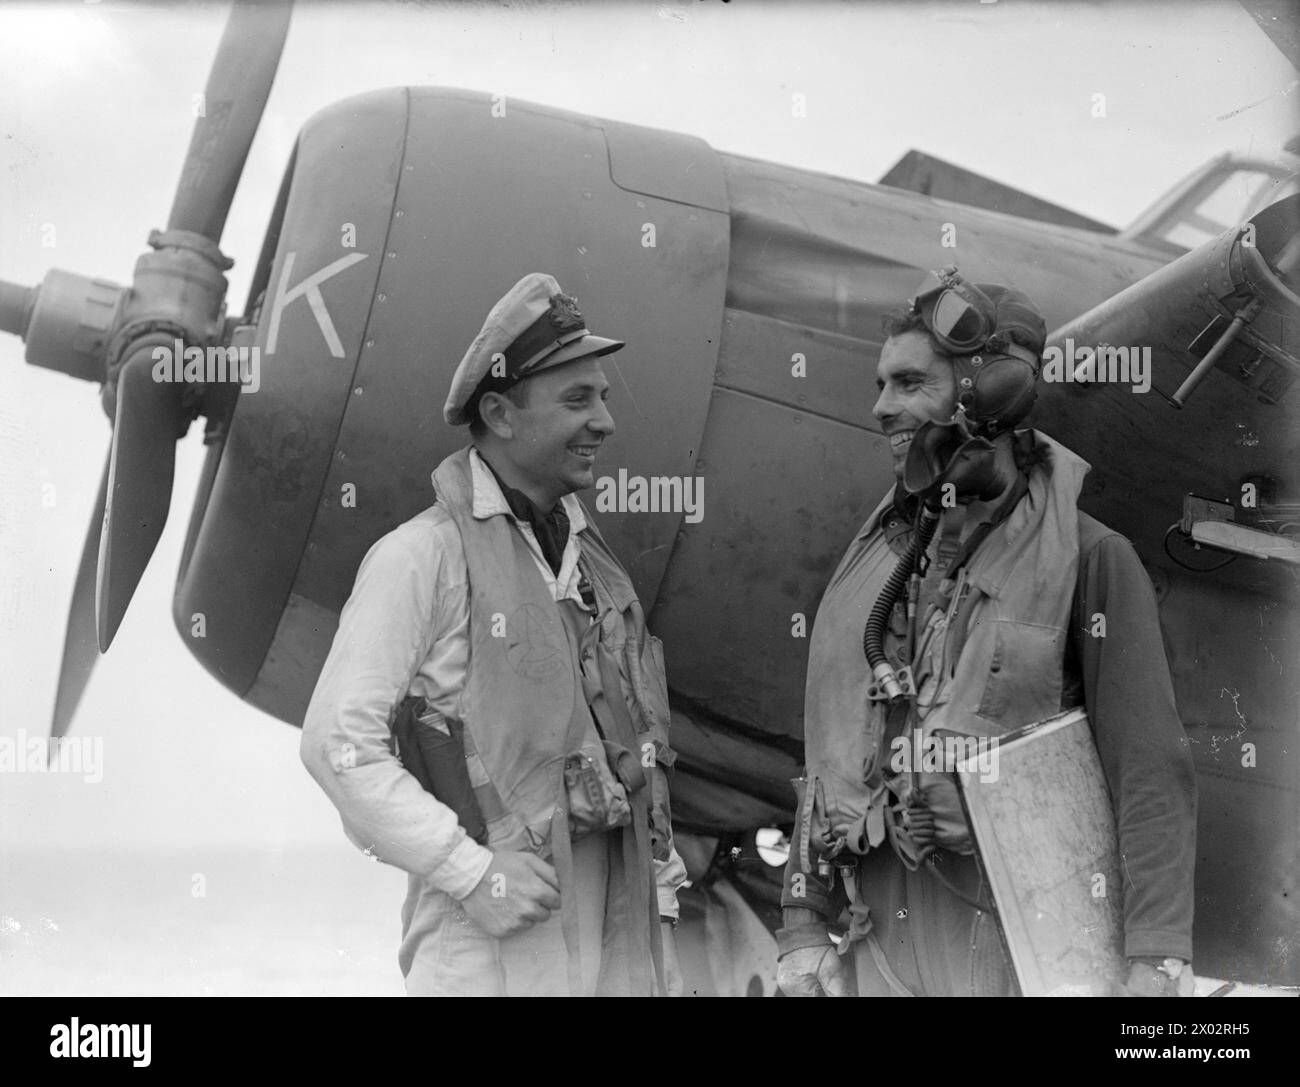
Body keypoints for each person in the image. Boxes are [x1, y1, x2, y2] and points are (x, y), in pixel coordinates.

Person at [775, 267, 1197, 998]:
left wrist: (1156, 956)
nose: (881, 407)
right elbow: (830, 760)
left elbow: (1150, 769)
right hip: (882, 947)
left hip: (1017, 944)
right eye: (881, 384)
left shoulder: (1093, 559)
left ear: (991, 391)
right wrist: (804, 924)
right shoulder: (875, 563)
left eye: (909, 383)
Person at [301, 272, 686, 996]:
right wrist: (469, 870)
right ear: (501, 414)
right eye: (578, 399)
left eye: (602, 396)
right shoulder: (423, 557)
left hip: (615, 927)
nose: (605, 420)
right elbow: (336, 743)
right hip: (487, 941)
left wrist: (660, 886)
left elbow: (626, 745)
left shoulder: (590, 562)